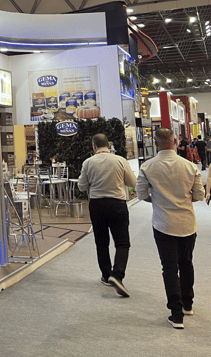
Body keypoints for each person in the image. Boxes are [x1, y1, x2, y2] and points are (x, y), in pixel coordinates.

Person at [136, 127, 205, 329]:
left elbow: (141, 195)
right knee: (186, 263)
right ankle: (188, 304)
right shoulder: (189, 166)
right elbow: (199, 195)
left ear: (156, 143)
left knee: (169, 267)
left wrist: (159, 201)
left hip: (163, 223)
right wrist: (183, 201)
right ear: (174, 142)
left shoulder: (147, 167)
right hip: (187, 223)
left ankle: (176, 314)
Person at [78, 133, 136, 298]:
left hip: (97, 205)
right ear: (108, 145)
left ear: (94, 146)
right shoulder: (120, 160)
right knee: (122, 243)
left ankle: (106, 275)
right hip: (117, 204)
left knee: (101, 242)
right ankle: (117, 274)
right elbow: (132, 183)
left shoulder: (88, 162)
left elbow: (82, 186)